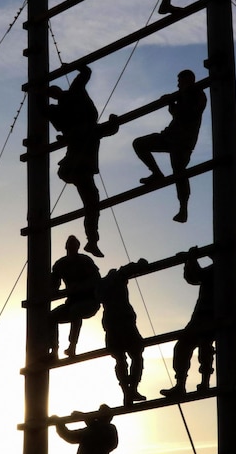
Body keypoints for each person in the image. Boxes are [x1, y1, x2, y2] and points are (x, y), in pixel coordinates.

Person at [48, 65, 117, 257]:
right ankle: (92, 241)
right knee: (92, 204)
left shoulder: (86, 124)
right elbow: (107, 129)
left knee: (92, 204)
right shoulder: (78, 124)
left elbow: (85, 72)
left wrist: (72, 67)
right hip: (74, 168)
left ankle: (92, 241)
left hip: (77, 169)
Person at [133, 69, 207, 223]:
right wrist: (172, 102)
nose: (178, 84)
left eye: (180, 81)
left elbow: (187, 114)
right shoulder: (183, 95)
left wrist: (174, 101)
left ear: (188, 80)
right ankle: (156, 173)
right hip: (169, 136)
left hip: (183, 142)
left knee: (179, 172)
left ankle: (183, 209)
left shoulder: (197, 94)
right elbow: (178, 114)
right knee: (139, 144)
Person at [161, 249, 215, 397]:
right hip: (201, 315)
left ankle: (203, 383)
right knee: (183, 347)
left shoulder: (220, 269)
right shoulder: (214, 269)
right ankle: (182, 385)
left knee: (205, 347)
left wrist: (191, 259)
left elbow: (196, 276)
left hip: (211, 315)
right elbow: (193, 277)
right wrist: (190, 260)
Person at [96, 260, 148, 406]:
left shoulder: (100, 285)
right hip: (124, 322)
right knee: (136, 355)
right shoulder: (117, 276)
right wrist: (141, 263)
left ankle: (127, 391)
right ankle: (131, 389)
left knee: (121, 359)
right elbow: (133, 268)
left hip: (111, 323)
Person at [49, 235, 101, 358]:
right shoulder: (60, 264)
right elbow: (54, 284)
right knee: (51, 317)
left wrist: (79, 286)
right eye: (70, 245)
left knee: (76, 311)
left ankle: (72, 347)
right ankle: (54, 351)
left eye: (74, 245)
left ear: (78, 247)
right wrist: (53, 290)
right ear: (66, 247)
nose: (72, 248)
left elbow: (96, 280)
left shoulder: (85, 261)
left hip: (89, 302)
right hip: (72, 303)